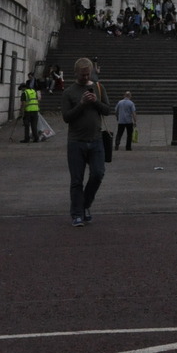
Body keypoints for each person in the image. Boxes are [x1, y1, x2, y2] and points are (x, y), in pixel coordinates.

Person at [62, 57, 111, 227]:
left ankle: (85, 205)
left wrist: (95, 101)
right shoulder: (69, 92)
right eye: (82, 74)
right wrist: (82, 104)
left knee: (98, 173)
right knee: (77, 179)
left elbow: (107, 110)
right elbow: (66, 117)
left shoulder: (98, 87)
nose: (85, 77)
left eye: (87, 74)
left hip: (96, 140)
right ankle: (77, 214)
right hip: (76, 141)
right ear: (75, 73)